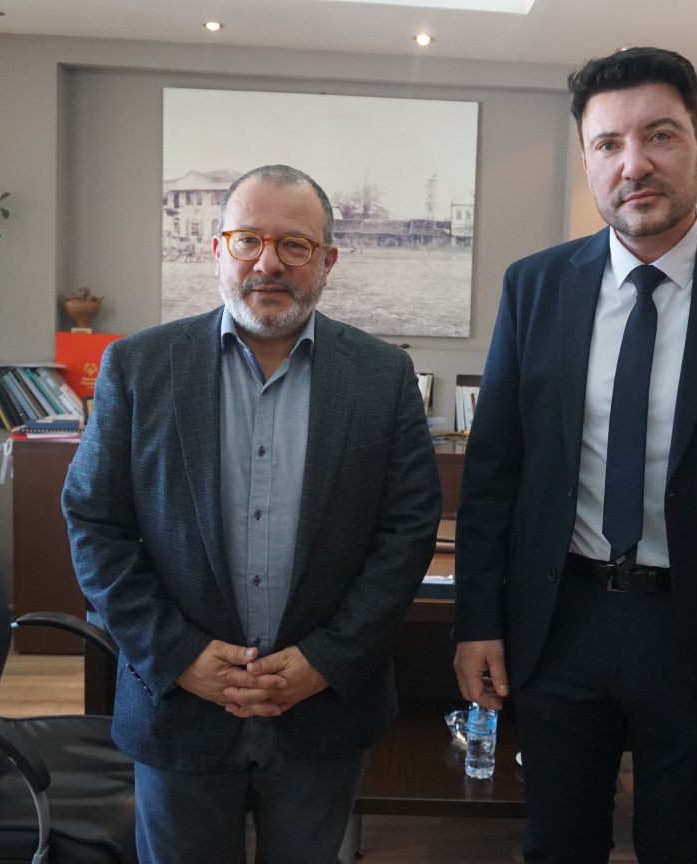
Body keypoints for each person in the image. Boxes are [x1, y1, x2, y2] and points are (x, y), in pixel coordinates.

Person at [452, 48, 697, 863]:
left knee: (682, 848)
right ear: (588, 162)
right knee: (557, 845)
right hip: (560, 623)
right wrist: (478, 620)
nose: (634, 165)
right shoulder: (535, 287)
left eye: (659, 135)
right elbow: (494, 475)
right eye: (608, 144)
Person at [63, 164, 441, 864]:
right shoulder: (138, 368)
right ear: (218, 251)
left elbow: (408, 532)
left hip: (323, 710)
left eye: (294, 244)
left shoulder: (382, 377)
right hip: (178, 705)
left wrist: (327, 659)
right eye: (247, 240)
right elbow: (95, 523)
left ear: (327, 261)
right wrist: (177, 656)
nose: (268, 263)